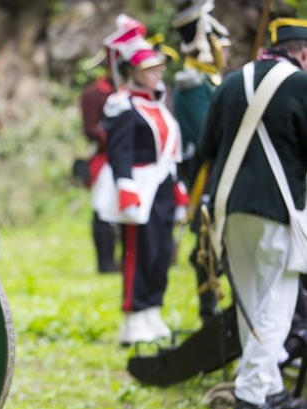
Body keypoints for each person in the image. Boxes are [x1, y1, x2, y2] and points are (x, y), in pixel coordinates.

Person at [201, 18, 307, 409]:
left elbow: (208, 147)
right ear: (303, 53)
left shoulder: (230, 82)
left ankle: (270, 388)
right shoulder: (300, 85)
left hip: (229, 210)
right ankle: (251, 397)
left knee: (251, 303)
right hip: (278, 210)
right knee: (277, 303)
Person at [93, 21, 188, 346]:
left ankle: (152, 312)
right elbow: (119, 152)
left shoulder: (159, 102)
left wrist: (178, 189)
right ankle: (134, 320)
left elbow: (170, 152)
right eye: (150, 68)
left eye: (159, 67)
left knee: (162, 252)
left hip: (162, 186)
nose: (157, 73)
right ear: (133, 71)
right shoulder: (123, 105)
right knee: (138, 252)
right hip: (138, 188)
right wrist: (126, 188)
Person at [171, 0, 231, 323]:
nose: (224, 50)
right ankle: (209, 312)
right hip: (206, 176)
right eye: (218, 43)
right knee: (207, 250)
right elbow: (207, 136)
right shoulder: (191, 84)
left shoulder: (210, 81)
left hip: (220, 172)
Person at [80, 66, 117, 273]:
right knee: (103, 208)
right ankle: (106, 263)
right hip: (105, 158)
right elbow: (91, 128)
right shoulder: (94, 94)